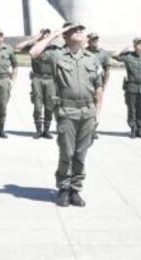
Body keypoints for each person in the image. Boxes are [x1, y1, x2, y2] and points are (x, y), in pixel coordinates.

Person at [30, 23, 102, 208]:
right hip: (67, 112)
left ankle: (75, 189)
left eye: (81, 30)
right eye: (75, 30)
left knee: (80, 153)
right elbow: (34, 52)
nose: (80, 32)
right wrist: (54, 34)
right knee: (67, 153)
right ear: (66, 35)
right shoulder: (57, 56)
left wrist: (97, 114)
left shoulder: (92, 59)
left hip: (87, 112)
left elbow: (99, 88)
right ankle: (63, 188)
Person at [112, 37, 141, 138]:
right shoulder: (128, 57)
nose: (140, 46)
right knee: (132, 109)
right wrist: (125, 48)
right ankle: (133, 129)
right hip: (131, 87)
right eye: (138, 44)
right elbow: (114, 55)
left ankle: (140, 129)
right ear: (134, 46)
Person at [86, 33, 111, 140]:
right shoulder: (83, 52)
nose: (95, 41)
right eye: (93, 39)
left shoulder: (103, 54)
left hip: (98, 84)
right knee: (86, 106)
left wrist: (105, 84)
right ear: (89, 41)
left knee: (97, 106)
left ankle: (94, 129)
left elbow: (107, 70)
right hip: (85, 83)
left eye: (96, 39)